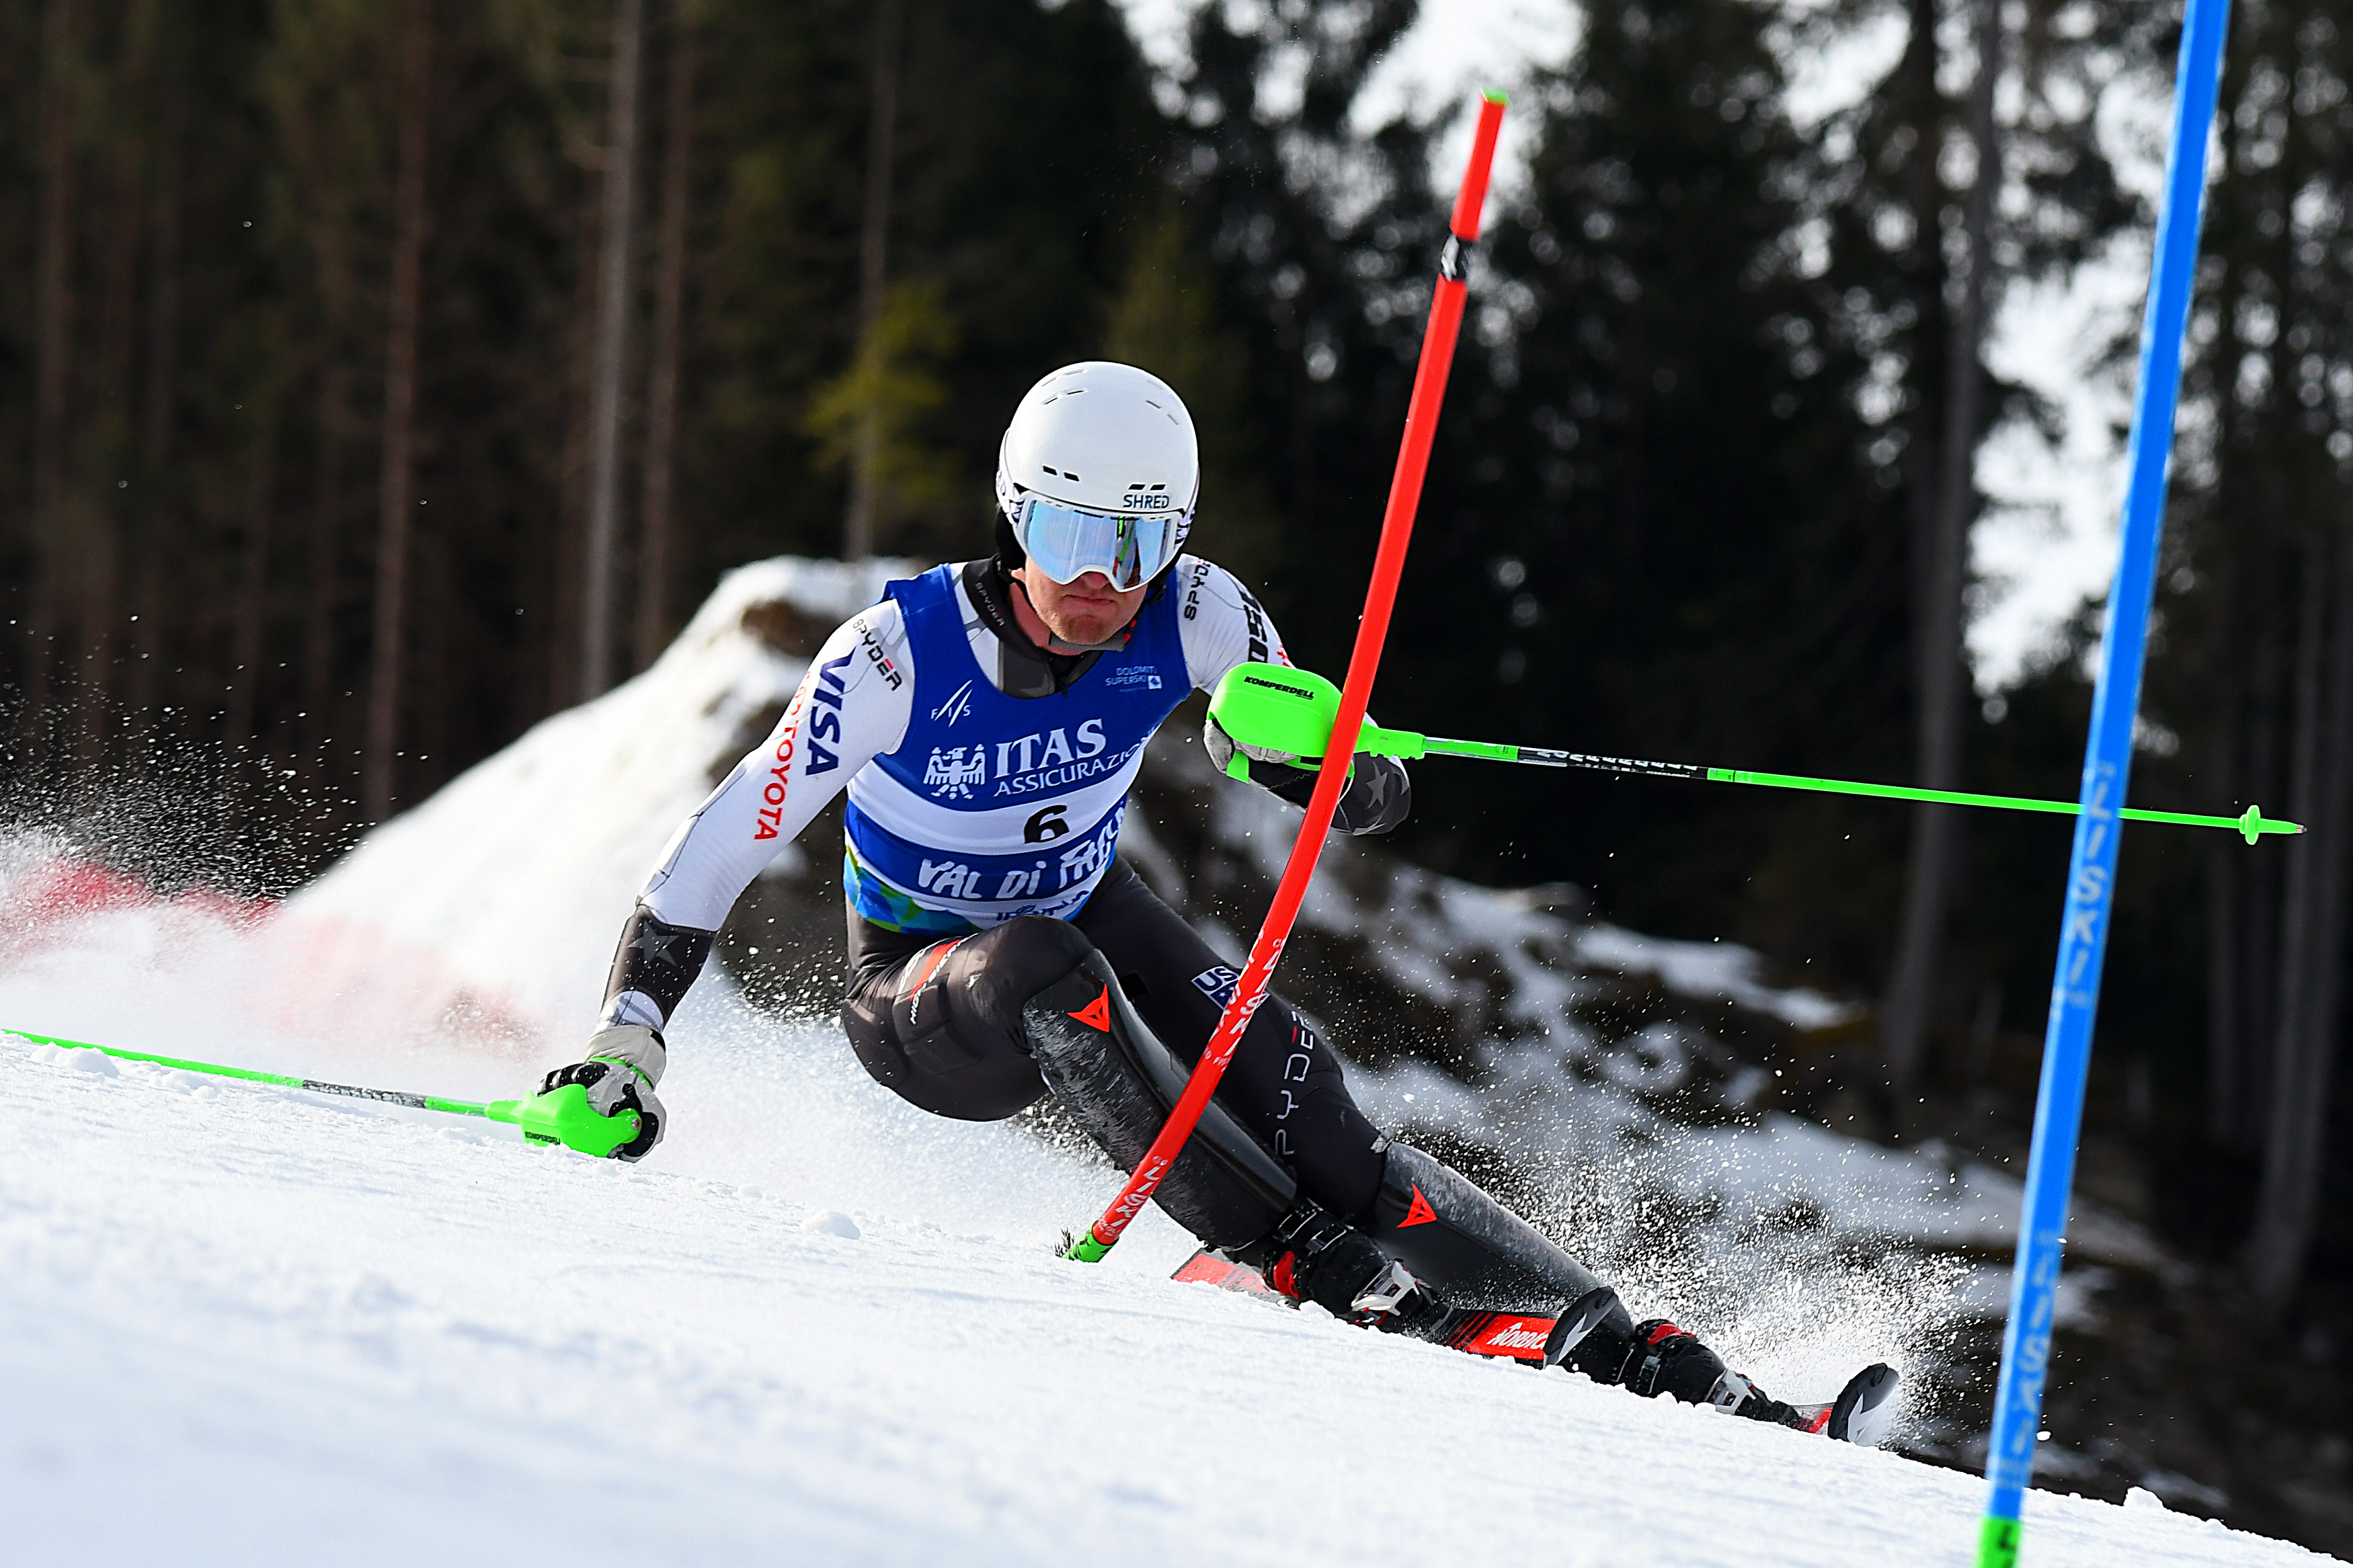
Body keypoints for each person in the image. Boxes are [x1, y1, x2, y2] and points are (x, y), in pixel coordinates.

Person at [537, 361, 1892, 1441]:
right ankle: (1305, 1266)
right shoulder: (894, 658)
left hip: (1090, 915)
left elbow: (1327, 773)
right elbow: (713, 847)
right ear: (1017, 513)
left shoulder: (1198, 616)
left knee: (1303, 1088)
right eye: (1070, 532)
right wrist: (628, 1040)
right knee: (1040, 960)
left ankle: (1630, 1343)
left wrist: (1341, 773)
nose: (1098, 579)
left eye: (1136, 540)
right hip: (925, 998)